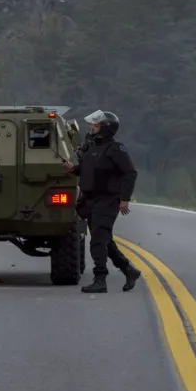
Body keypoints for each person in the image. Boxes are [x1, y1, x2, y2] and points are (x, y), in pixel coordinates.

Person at [63, 110, 142, 294]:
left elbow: (130, 173)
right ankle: (129, 270)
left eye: (96, 126)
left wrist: (125, 199)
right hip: (90, 200)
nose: (92, 128)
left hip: (108, 200)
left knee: (98, 240)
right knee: (104, 239)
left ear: (105, 129)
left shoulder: (115, 149)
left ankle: (100, 279)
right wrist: (72, 169)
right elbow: (85, 170)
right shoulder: (92, 148)